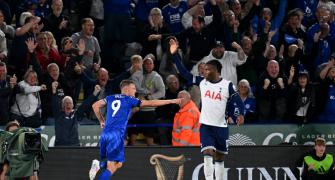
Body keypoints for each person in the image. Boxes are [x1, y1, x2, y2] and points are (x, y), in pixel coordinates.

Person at [169, 38, 245, 180]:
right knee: (208, 153)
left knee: (220, 158)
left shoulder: (228, 85)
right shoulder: (202, 82)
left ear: (216, 71)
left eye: (208, 69)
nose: (204, 72)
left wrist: (241, 113)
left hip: (221, 126)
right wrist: (174, 55)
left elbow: (237, 100)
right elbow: (185, 74)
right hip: (206, 126)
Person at [91, 79, 181, 179]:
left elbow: (95, 105)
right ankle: (98, 165)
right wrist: (171, 101)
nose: (135, 91)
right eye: (133, 88)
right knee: (112, 167)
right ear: (126, 88)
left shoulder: (110, 97)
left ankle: (99, 164)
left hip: (105, 134)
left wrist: (101, 120)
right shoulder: (129, 99)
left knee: (118, 164)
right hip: (116, 136)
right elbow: (151, 103)